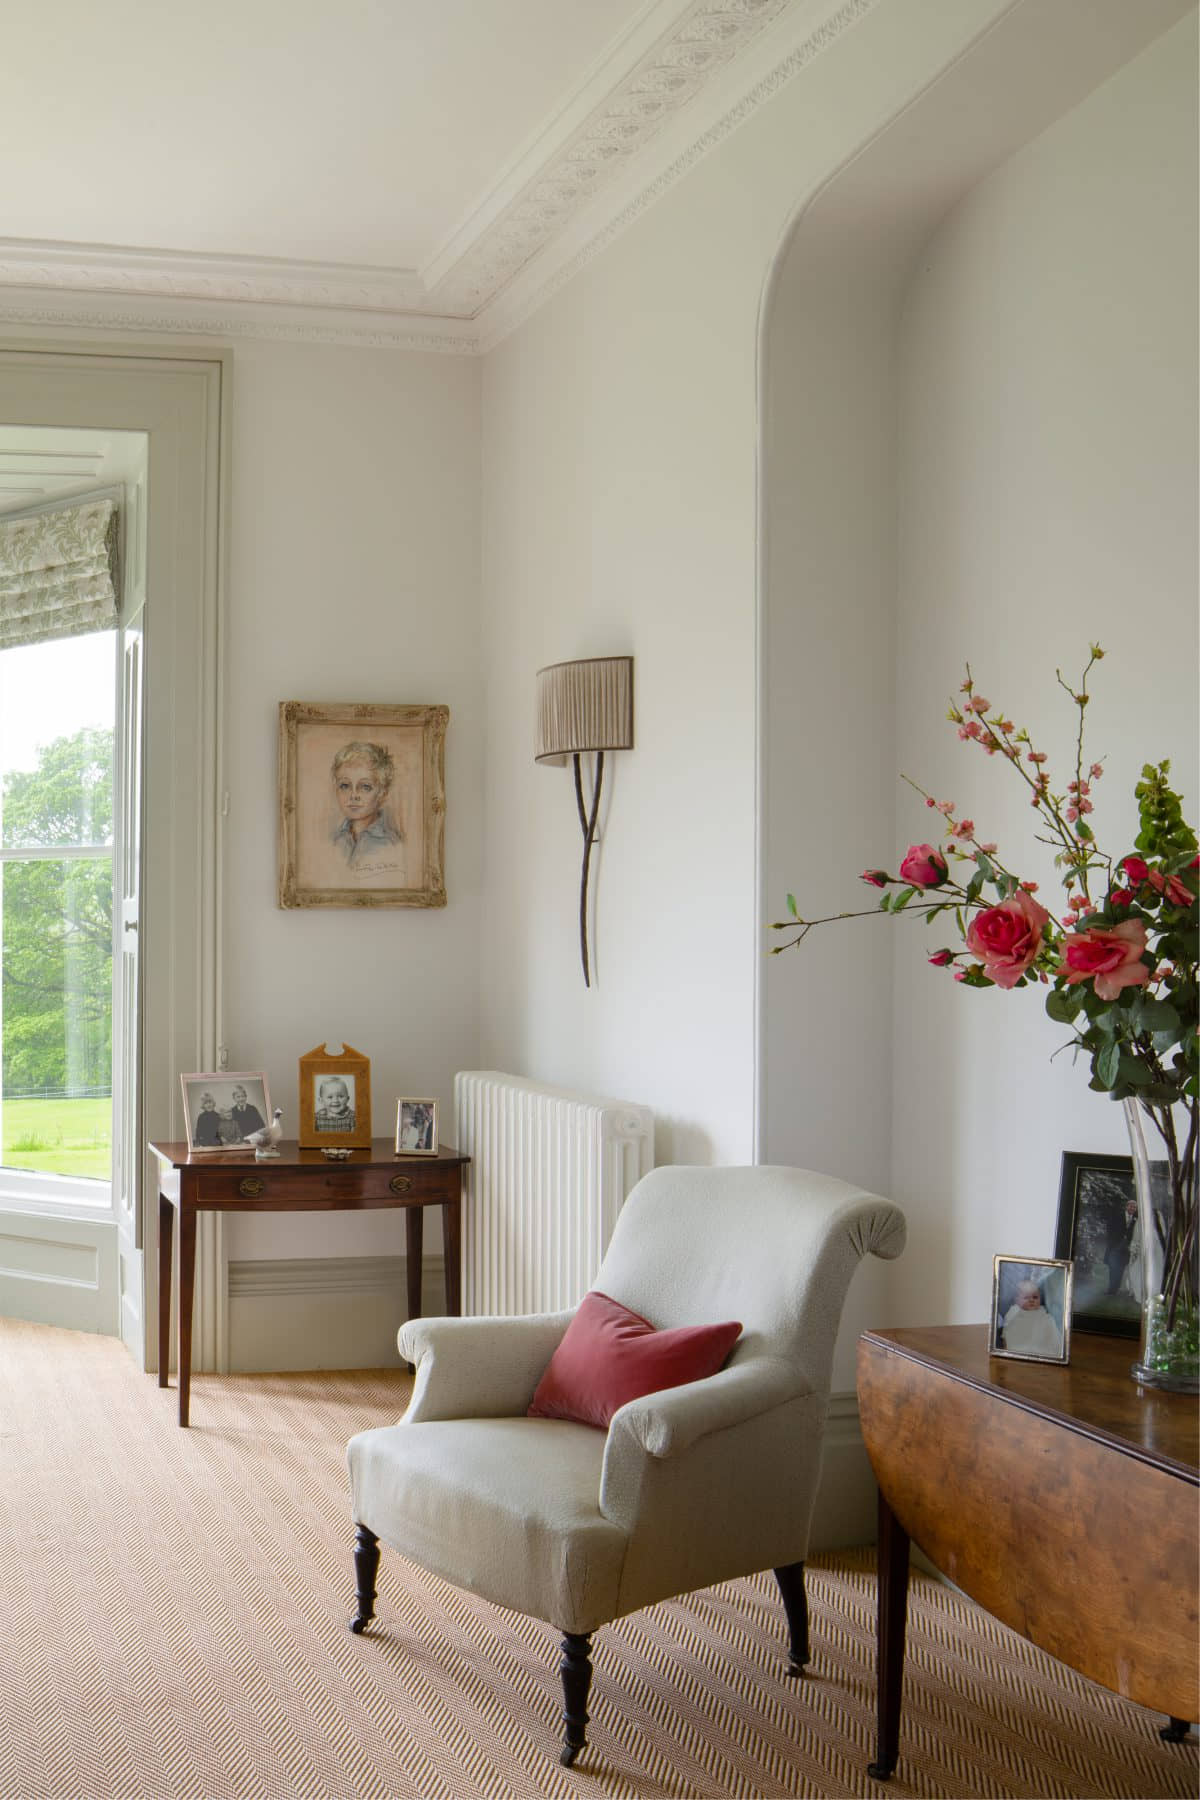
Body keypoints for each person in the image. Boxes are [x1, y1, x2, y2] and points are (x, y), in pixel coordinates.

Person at [330, 741, 404, 870]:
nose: (354, 795)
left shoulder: (392, 844)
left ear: (382, 793)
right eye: (345, 786)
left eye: (365, 787)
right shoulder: (334, 841)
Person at [1001, 1278, 1063, 1357]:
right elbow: (1006, 1330)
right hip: (1020, 1344)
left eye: (1035, 1297)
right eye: (1026, 1297)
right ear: (1017, 1300)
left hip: (1041, 1345)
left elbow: (1049, 1327)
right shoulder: (1014, 1311)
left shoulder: (1043, 1312)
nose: (1031, 1300)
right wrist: (1005, 1345)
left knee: (1050, 1321)